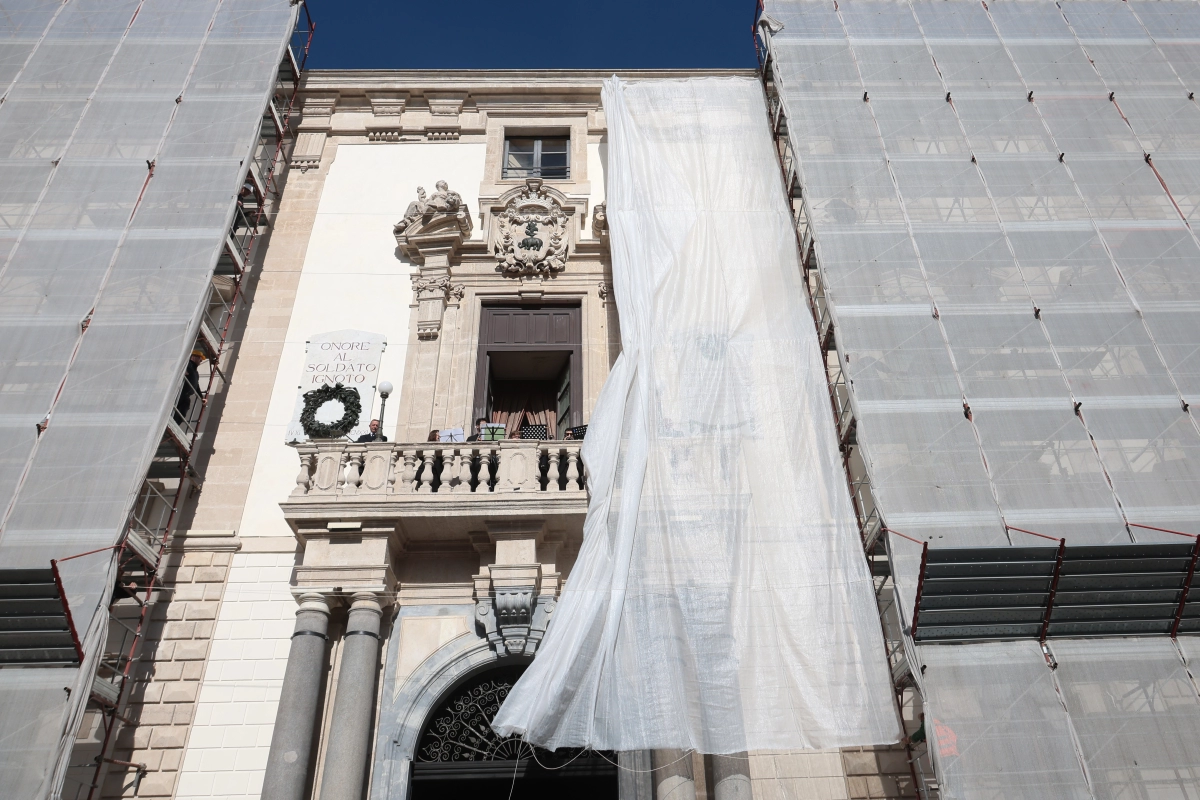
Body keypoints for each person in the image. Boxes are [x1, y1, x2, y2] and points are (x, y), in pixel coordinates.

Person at [174, 350, 205, 425]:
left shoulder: (195, 372)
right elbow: (173, 367)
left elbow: (196, 385)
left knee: (182, 412)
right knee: (176, 410)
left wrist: (201, 397)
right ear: (193, 357)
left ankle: (175, 424)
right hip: (179, 393)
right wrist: (181, 371)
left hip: (186, 396)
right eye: (199, 358)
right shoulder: (187, 365)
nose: (201, 360)